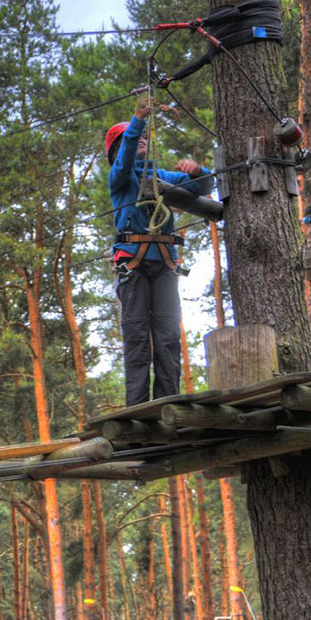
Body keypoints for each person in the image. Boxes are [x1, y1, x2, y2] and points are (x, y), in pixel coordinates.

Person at [104, 94, 214, 406]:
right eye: (131, 140)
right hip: (133, 266)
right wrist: (137, 121)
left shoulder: (163, 177)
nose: (139, 141)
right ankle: (138, 408)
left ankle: (168, 404)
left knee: (168, 337)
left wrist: (195, 171)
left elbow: (204, 186)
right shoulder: (120, 179)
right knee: (137, 337)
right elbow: (125, 161)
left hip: (165, 266)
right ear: (118, 149)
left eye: (141, 139)